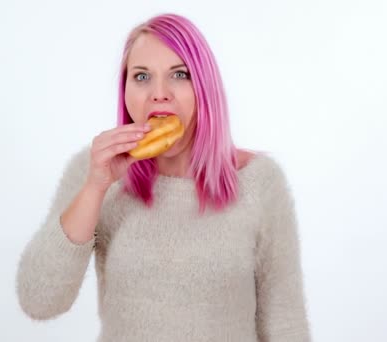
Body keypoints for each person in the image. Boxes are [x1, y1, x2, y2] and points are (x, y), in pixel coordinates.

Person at [16, 13, 312, 342]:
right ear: (125, 92)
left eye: (180, 74)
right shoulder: (95, 171)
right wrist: (95, 187)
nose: (159, 94)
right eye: (141, 76)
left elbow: (286, 323)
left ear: (204, 87)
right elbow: (39, 301)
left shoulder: (259, 181)